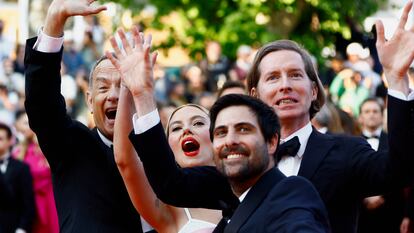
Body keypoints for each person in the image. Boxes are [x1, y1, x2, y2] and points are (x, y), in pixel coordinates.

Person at [118, 1, 414, 233]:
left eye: (295, 75)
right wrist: (143, 96)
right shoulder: (238, 160)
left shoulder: (346, 152)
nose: (285, 84)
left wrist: (397, 79)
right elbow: (172, 185)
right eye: (273, 77)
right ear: (255, 95)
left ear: (313, 91)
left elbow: (400, 169)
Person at [24, 0, 154, 232]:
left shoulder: (161, 156)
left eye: (124, 86)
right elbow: (42, 104)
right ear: (89, 101)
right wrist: (55, 18)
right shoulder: (74, 146)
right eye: (103, 88)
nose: (114, 95)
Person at [208, 94, 329, 232]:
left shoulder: (290, 193)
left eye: (243, 129)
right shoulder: (232, 212)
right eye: (221, 133)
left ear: (272, 142)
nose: (230, 141)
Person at [13, 110, 59, 233]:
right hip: (30, 202)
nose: (29, 126)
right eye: (25, 123)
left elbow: (55, 168)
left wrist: (40, 141)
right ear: (17, 126)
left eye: (31, 122)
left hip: (51, 201)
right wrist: (23, 146)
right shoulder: (17, 152)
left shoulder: (45, 147)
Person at [0, 122, 35, 233]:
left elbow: (28, 203)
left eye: (0, 138)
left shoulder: (22, 168)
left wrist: (22, 229)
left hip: (12, 227)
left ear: (10, 141)